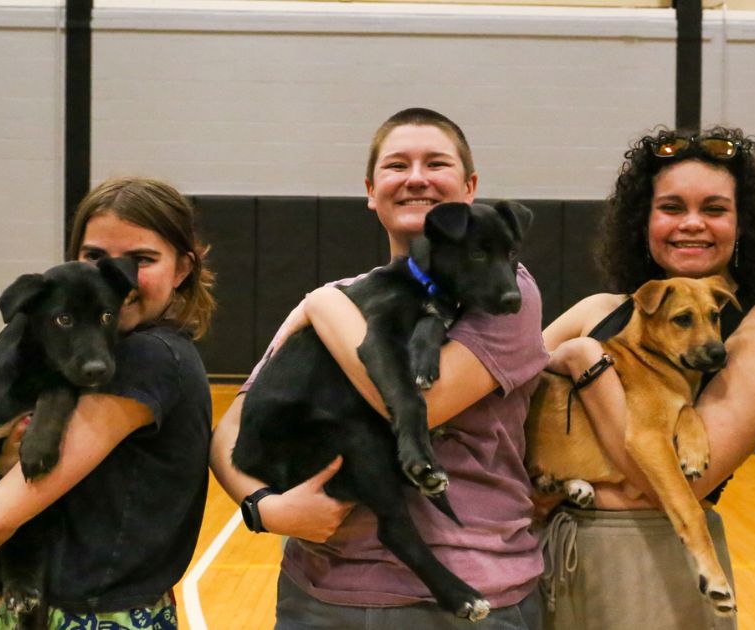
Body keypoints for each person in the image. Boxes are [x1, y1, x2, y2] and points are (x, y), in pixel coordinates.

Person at [209, 107, 549, 629]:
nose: (416, 178)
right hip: (320, 591)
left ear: (469, 186)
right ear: (371, 190)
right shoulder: (347, 296)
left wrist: (321, 306)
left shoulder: (506, 292)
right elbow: (232, 423)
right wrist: (262, 507)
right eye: (397, 166)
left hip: (469, 594)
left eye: (436, 163)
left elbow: (421, 404)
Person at [537, 126, 755, 629]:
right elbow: (498, 403)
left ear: (742, 225)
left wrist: (587, 367)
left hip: (657, 570)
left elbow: (663, 487)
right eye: (672, 208)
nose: (692, 224)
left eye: (715, 209)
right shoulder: (596, 310)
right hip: (543, 557)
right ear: (645, 221)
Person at [0, 176, 216, 628]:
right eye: (94, 256)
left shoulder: (147, 356)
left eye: (142, 260)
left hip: (88, 614)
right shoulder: (88, 359)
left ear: (182, 269)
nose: (115, 277)